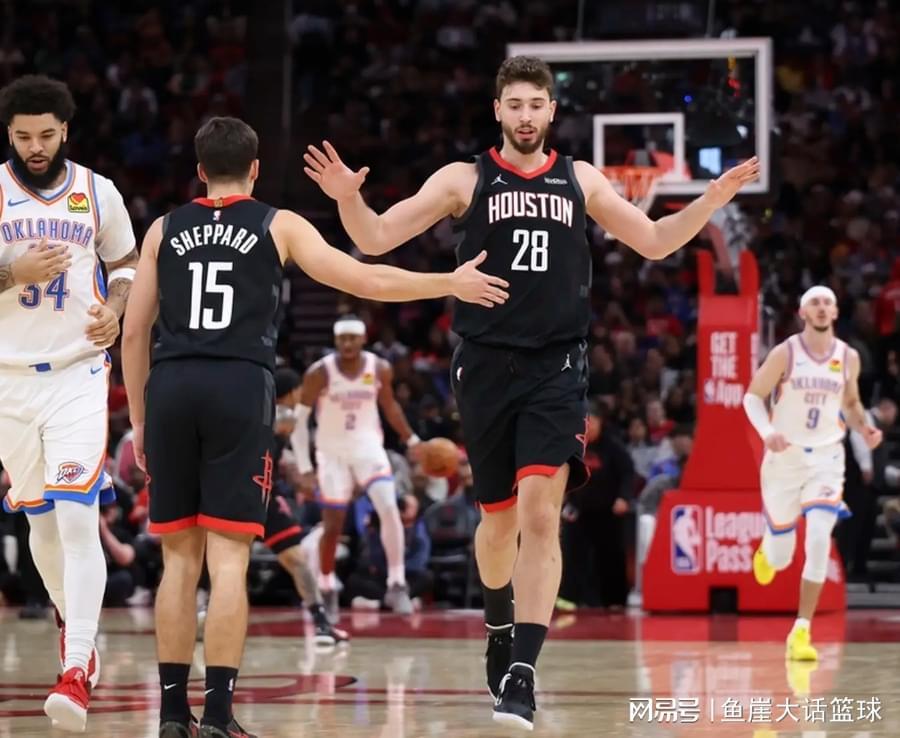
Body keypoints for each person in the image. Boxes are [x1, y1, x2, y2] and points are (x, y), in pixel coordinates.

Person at [304, 55, 759, 729]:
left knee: (542, 513)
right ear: (498, 110)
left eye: (535, 105)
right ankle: (498, 622)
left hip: (557, 366)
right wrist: (348, 197)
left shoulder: (581, 178)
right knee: (498, 521)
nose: (524, 116)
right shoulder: (463, 179)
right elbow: (373, 237)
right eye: (513, 104)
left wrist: (710, 200)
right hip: (485, 366)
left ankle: (522, 670)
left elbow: (657, 242)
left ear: (551, 111)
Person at [121, 116, 507, 738]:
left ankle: (171, 715)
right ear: (254, 170)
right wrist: (449, 282)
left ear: (199, 172)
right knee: (228, 561)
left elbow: (134, 331)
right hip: (238, 386)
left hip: (171, 386)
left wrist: (140, 418)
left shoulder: (163, 229)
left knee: (178, 561)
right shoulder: (279, 224)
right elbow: (366, 278)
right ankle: (217, 716)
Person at [0, 75, 138, 732]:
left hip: (79, 374)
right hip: (9, 380)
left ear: (65, 131)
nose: (35, 146)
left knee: (78, 519)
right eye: (23, 136)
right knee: (43, 528)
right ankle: (72, 625)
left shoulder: (97, 191)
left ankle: (77, 667)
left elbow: (128, 263)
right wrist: (13, 272)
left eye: (46, 135)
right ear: (9, 134)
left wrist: (117, 307)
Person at [743, 285, 883, 662]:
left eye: (827, 303)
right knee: (781, 557)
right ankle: (769, 550)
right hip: (784, 459)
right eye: (814, 303)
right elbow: (752, 396)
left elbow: (850, 403)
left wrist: (864, 427)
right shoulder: (785, 353)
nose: (821, 308)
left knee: (819, 538)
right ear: (803, 312)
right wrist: (767, 432)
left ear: (835, 312)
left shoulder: (848, 357)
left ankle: (801, 631)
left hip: (826, 458)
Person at [291, 315, 426, 621]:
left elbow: (390, 407)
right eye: (342, 339)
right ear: (336, 341)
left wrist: (412, 439)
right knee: (333, 525)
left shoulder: (379, 368)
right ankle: (326, 585)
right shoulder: (319, 372)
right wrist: (305, 467)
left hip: (368, 448)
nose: (347, 344)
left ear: (363, 339)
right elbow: (299, 421)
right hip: (332, 453)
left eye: (353, 338)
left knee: (389, 507)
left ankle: (397, 583)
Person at [268, 367, 348, 645]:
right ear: (292, 392)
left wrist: (301, 480)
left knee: (297, 559)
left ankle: (321, 622)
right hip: (245, 492)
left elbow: (281, 459)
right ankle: (203, 610)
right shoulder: (283, 415)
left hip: (264, 494)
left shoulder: (273, 415)